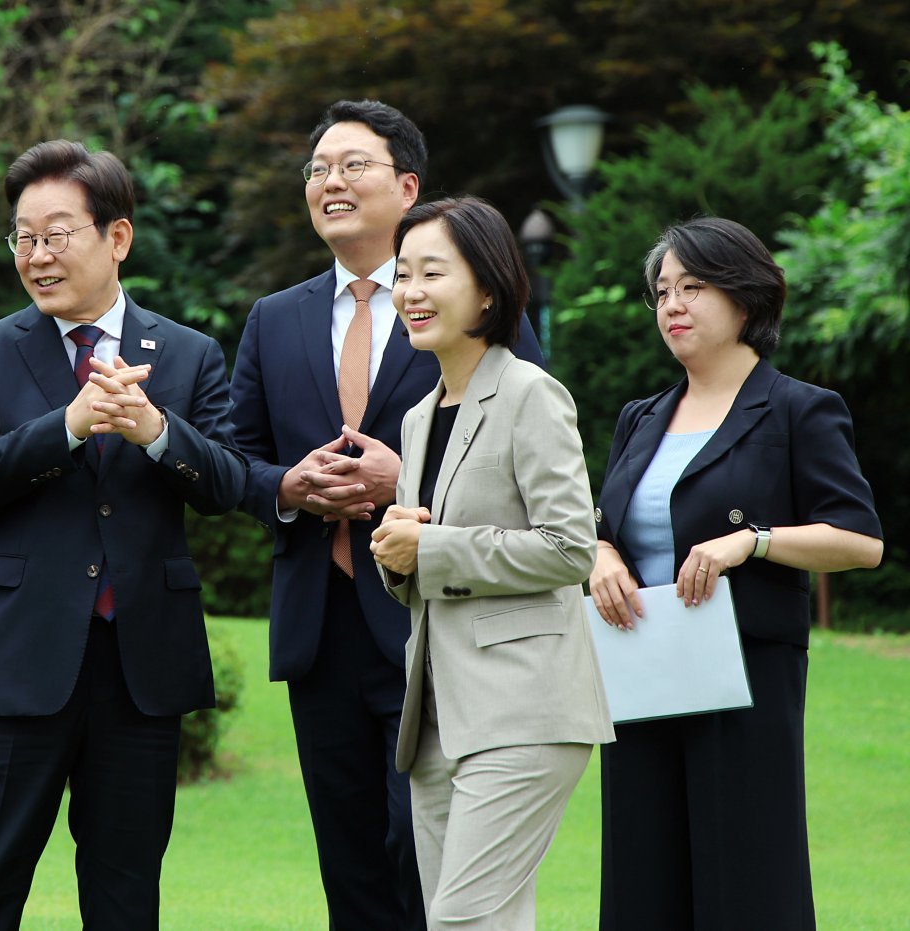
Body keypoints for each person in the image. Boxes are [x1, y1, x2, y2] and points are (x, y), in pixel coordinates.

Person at [228, 100, 543, 928]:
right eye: (317, 169)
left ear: (408, 185)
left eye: (352, 165)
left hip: (437, 624)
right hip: (319, 624)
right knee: (351, 864)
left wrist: (406, 480)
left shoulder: (476, 310)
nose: (330, 181)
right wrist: (288, 487)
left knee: (430, 853)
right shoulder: (273, 319)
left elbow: (519, 454)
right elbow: (237, 460)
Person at [0, 139, 246, 930]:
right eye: (24, 237)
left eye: (57, 233)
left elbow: (231, 484)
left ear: (118, 238)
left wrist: (156, 431)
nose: (37, 255)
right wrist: (64, 428)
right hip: (20, 661)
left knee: (125, 895)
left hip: (141, 668)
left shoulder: (188, 354)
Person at [587, 217, 882, 930]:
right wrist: (600, 556)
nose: (672, 305)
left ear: (746, 300)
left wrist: (751, 541)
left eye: (694, 286)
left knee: (746, 878)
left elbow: (859, 540)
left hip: (745, 675)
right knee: (641, 878)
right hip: (640, 669)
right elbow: (602, 523)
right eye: (662, 291)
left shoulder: (799, 410)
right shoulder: (641, 417)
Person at [370, 196, 613, 930]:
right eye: (402, 274)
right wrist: (398, 552)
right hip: (438, 714)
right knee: (487, 920)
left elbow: (571, 547)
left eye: (431, 272)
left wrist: (433, 546)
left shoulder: (531, 394)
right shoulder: (418, 417)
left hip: (523, 709)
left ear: (487, 286)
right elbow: (427, 559)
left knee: (463, 920)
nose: (411, 291)